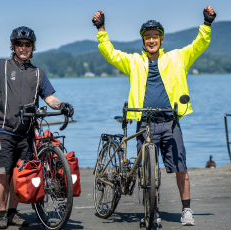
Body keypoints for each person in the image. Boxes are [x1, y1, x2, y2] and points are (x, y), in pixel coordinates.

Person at [92, 6, 216, 226]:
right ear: (143, 40)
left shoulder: (177, 58)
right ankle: (153, 211)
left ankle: (186, 210)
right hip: (144, 124)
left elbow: (198, 45)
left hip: (170, 123)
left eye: (155, 36)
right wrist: (101, 29)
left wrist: (206, 24)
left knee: (181, 168)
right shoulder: (133, 62)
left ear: (161, 39)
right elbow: (110, 52)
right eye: (147, 37)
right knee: (147, 172)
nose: (151, 40)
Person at [0, 26, 74, 229]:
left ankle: (12, 212)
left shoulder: (38, 74)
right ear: (13, 46)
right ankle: (2, 213)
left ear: (32, 47)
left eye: (27, 44)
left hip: (26, 132)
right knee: (3, 173)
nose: (23, 47)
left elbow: (49, 98)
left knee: (19, 173)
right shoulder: (0, 67)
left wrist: (62, 105)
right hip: (3, 129)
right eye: (19, 44)